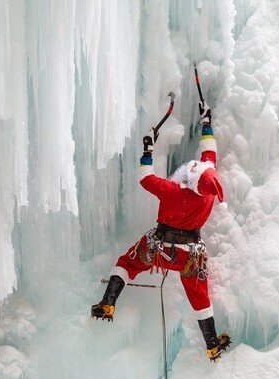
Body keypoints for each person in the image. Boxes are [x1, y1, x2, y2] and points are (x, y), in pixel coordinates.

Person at [92, 101, 230, 361]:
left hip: (159, 249)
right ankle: (212, 345)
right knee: (199, 296)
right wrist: (207, 122)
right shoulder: (207, 193)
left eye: (192, 168)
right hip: (190, 257)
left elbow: (145, 177)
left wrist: (147, 149)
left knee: (126, 263)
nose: (192, 166)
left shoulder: (172, 190)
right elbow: (209, 153)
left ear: (191, 178)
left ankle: (108, 303)